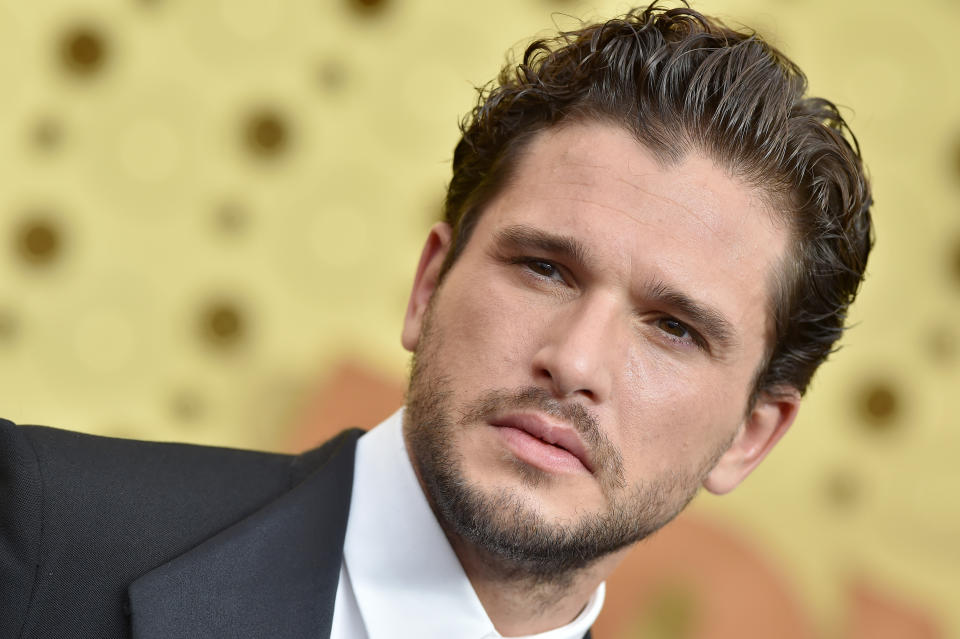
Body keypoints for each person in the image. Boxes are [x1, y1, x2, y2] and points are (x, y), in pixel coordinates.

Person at [0, 3, 873, 638]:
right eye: (545, 268)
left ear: (751, 436)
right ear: (428, 285)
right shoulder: (43, 531)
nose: (575, 360)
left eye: (674, 327)